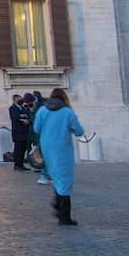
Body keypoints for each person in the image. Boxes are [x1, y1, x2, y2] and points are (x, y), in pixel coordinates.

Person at [33, 88, 86, 225]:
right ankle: (64, 216)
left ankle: (58, 204)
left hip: (47, 149)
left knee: (56, 178)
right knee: (65, 180)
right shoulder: (67, 112)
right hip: (62, 150)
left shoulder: (43, 111)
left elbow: (36, 129)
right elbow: (79, 131)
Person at [9, 94, 32, 171]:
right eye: (19, 99)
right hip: (18, 132)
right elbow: (15, 117)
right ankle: (17, 165)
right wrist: (22, 118)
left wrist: (25, 118)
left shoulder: (23, 108)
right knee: (18, 149)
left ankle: (21, 164)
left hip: (25, 132)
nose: (21, 100)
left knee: (23, 149)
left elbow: (28, 116)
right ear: (15, 100)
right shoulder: (12, 108)